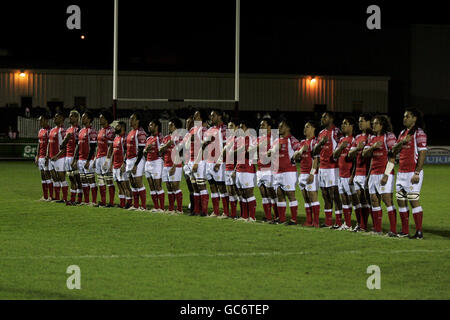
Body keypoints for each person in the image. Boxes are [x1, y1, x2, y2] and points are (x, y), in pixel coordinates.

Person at [390, 108, 427, 239]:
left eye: (407, 116)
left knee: (413, 200)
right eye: (404, 116)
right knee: (401, 200)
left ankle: (419, 231)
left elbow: (422, 153)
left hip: (412, 173)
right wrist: (402, 141)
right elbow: (393, 150)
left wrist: (417, 172)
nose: (404, 118)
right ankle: (405, 231)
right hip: (401, 173)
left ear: (414, 118)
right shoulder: (402, 133)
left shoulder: (419, 133)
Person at [362, 115, 397, 236]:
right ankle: (377, 229)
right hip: (373, 174)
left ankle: (393, 230)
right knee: (374, 200)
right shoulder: (371, 138)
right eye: (373, 123)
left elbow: (393, 157)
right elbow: (365, 154)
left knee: (387, 201)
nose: (373, 125)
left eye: (376, 123)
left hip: (384, 173)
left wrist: (386, 175)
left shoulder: (389, 136)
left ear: (382, 125)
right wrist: (373, 147)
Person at [313, 111, 343, 228]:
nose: (322, 119)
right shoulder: (321, 133)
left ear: (331, 119)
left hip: (333, 168)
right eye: (322, 117)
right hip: (322, 168)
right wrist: (321, 143)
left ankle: (339, 221)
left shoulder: (336, 132)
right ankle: (328, 221)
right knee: (325, 194)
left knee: (334, 194)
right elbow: (314, 151)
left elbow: (342, 147)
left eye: (324, 117)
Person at [269, 119, 301, 225]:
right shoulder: (276, 141)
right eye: (279, 126)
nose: (279, 128)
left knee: (290, 194)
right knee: (279, 195)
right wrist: (270, 152)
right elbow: (270, 152)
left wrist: (296, 156)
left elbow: (300, 150)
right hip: (278, 172)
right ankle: (281, 218)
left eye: (281, 126)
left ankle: (293, 219)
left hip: (289, 171)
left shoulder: (292, 140)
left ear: (288, 128)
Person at [348, 113, 373, 232]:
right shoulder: (357, 138)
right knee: (359, 199)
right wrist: (358, 148)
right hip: (358, 172)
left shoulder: (372, 136)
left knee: (369, 200)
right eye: (359, 121)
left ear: (369, 122)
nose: (360, 123)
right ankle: (362, 225)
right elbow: (350, 155)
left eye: (362, 121)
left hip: (368, 173)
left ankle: (373, 226)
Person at [294, 121, 320, 227]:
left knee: (313, 197)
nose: (305, 129)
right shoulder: (302, 142)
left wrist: (312, 173)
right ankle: (309, 221)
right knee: (306, 198)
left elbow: (316, 159)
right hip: (302, 173)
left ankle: (316, 222)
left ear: (313, 128)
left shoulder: (315, 142)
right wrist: (300, 150)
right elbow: (295, 157)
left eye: (307, 127)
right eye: (304, 127)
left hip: (310, 173)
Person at [203, 110, 229, 218]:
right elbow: (203, 145)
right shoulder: (209, 130)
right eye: (211, 115)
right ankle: (216, 211)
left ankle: (226, 212)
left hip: (219, 162)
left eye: (213, 115)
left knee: (222, 187)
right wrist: (205, 142)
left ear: (219, 116)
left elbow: (227, 147)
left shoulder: (225, 129)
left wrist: (219, 161)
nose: (211, 117)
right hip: (209, 162)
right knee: (212, 187)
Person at [333, 117, 356, 230]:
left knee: (352, 200)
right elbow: (334, 155)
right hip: (341, 175)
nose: (342, 126)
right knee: (344, 199)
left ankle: (358, 224)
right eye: (342, 123)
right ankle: (347, 224)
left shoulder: (354, 140)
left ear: (351, 126)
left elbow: (356, 159)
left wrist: (353, 174)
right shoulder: (342, 140)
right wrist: (341, 147)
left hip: (349, 174)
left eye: (345, 123)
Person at [54, 110, 81, 205]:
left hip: (75, 157)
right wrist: (65, 140)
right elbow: (62, 146)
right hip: (67, 157)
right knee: (71, 179)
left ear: (77, 118)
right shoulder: (68, 130)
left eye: (72, 116)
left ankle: (80, 200)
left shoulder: (78, 130)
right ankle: (73, 199)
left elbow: (79, 145)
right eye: (69, 116)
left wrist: (75, 159)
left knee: (78, 179)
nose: (70, 118)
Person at [72, 111, 98, 206]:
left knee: (91, 180)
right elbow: (78, 146)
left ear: (89, 119)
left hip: (89, 159)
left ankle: (94, 201)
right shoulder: (81, 131)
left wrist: (88, 160)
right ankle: (86, 201)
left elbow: (93, 147)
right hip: (80, 159)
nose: (82, 119)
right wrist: (75, 159)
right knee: (83, 181)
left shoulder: (92, 131)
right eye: (82, 117)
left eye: (84, 117)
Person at [159, 118, 184, 214]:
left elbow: (180, 152)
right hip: (166, 164)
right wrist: (168, 144)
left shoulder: (179, 138)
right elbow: (160, 150)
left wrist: (174, 166)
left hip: (175, 165)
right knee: (169, 187)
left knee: (175, 187)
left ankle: (180, 209)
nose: (169, 126)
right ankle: (171, 208)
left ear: (175, 126)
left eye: (171, 125)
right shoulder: (166, 138)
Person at [234, 119, 257, 222]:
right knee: (241, 193)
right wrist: (235, 169)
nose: (239, 129)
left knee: (249, 193)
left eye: (241, 127)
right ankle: (244, 216)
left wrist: (238, 150)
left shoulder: (252, 138)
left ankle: (252, 217)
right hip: (239, 168)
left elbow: (249, 151)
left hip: (248, 169)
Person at [186, 110, 208, 216]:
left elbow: (204, 147)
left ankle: (204, 211)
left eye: (197, 116)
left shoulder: (204, 130)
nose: (195, 118)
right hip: (190, 160)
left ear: (202, 118)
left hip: (200, 161)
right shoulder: (192, 130)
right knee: (194, 186)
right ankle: (196, 210)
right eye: (194, 116)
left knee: (201, 185)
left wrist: (197, 162)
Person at [256, 117, 278, 223]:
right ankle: (268, 217)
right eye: (260, 125)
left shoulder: (273, 138)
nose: (261, 127)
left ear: (269, 127)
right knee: (263, 194)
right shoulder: (260, 138)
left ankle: (277, 216)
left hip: (269, 169)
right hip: (260, 169)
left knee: (272, 194)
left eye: (263, 125)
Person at [125, 113, 148, 211]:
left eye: (133, 119)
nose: (131, 120)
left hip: (137, 160)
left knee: (138, 182)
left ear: (138, 121)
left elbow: (142, 150)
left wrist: (135, 164)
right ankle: (136, 205)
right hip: (129, 160)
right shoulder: (130, 132)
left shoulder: (141, 132)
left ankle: (143, 206)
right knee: (133, 183)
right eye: (130, 119)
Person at [108, 121, 132, 209]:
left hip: (122, 165)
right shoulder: (116, 138)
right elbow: (114, 153)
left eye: (117, 126)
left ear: (122, 127)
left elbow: (126, 151)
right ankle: (122, 203)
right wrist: (111, 164)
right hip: (115, 165)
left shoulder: (125, 138)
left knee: (125, 185)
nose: (115, 128)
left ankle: (129, 203)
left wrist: (124, 163)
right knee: (119, 184)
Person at [219, 119, 239, 219]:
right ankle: (233, 214)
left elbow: (241, 156)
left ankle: (245, 213)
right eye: (228, 127)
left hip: (234, 168)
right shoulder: (229, 139)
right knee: (230, 191)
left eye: (231, 126)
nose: (229, 129)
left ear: (237, 128)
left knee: (238, 192)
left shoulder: (238, 139)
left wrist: (236, 169)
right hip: (227, 167)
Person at [45, 112, 68, 203]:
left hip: (60, 158)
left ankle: (65, 198)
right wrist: (47, 155)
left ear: (62, 119)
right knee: (54, 178)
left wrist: (57, 156)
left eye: (57, 117)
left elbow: (65, 146)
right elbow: (49, 144)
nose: (54, 118)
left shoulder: (62, 131)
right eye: (54, 117)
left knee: (62, 178)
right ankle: (57, 197)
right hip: (51, 158)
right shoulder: (52, 130)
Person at [95, 111, 115, 207]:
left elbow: (111, 146)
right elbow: (98, 146)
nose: (100, 119)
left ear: (106, 119)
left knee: (109, 180)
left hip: (105, 157)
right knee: (100, 180)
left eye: (102, 117)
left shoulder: (110, 131)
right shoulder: (100, 130)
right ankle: (103, 201)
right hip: (99, 157)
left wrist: (108, 159)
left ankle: (111, 202)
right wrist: (95, 157)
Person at [144, 119, 164, 212]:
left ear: (156, 127)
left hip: (156, 162)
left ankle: (162, 207)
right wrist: (146, 149)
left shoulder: (160, 138)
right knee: (151, 186)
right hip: (148, 162)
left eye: (151, 125)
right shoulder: (148, 139)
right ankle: (156, 207)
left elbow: (163, 150)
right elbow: (144, 151)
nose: (149, 127)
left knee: (157, 185)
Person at [35, 114, 52, 201]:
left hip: (46, 157)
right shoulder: (40, 131)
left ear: (46, 120)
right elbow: (39, 144)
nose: (40, 122)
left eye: (41, 120)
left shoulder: (50, 131)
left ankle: (51, 196)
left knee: (48, 175)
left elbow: (50, 145)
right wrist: (37, 155)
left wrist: (47, 156)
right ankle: (45, 196)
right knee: (42, 176)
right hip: (40, 156)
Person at [182, 116, 195, 215]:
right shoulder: (186, 135)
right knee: (190, 187)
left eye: (190, 122)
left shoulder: (194, 133)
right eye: (187, 122)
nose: (188, 124)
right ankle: (192, 205)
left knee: (194, 186)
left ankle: (195, 207)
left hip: (192, 163)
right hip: (185, 164)